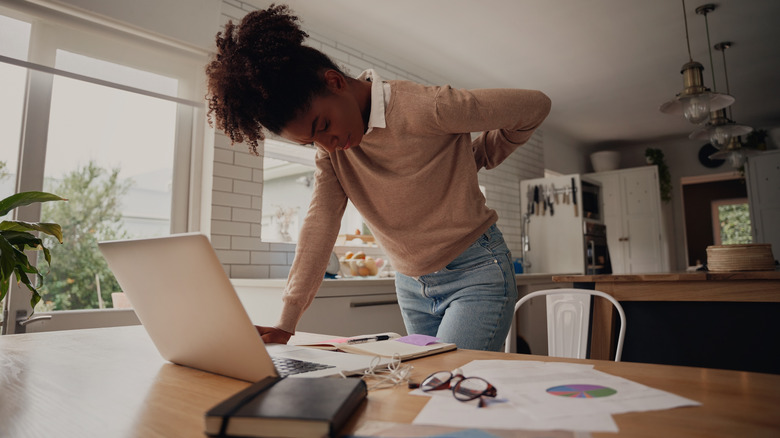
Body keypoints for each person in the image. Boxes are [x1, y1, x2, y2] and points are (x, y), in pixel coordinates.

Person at [205, 4, 551, 351]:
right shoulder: (331, 153)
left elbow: (535, 106)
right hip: (411, 286)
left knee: (444, 387)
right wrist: (287, 321)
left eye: (323, 125)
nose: (329, 144)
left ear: (335, 82)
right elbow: (321, 222)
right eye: (313, 141)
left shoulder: (425, 107)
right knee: (422, 388)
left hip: (475, 271)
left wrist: (476, 158)